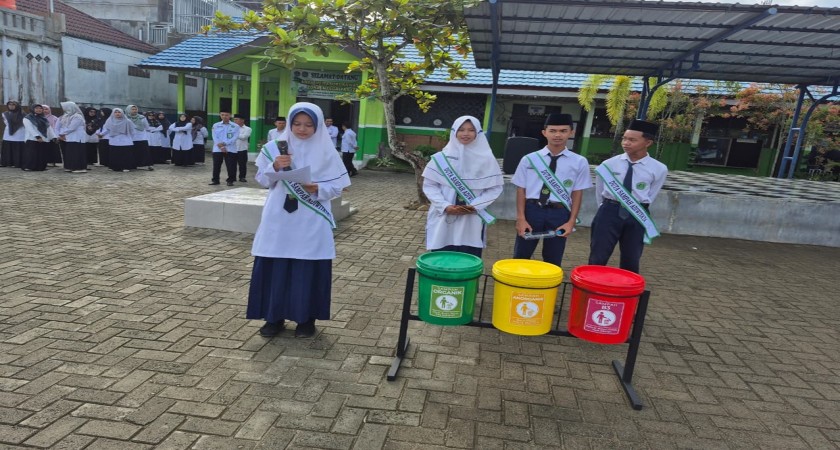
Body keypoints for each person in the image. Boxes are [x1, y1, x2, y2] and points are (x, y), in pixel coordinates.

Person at [247, 102, 351, 338]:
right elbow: (262, 181)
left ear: (318, 126)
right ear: (289, 123)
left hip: (311, 217)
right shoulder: (275, 147)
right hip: (279, 217)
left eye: (308, 124)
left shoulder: (327, 151)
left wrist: (318, 188)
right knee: (276, 264)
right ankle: (273, 318)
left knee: (308, 266)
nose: (302, 129)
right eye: (297, 123)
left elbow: (338, 187)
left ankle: (306, 320)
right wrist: (274, 166)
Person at [511, 113, 591, 268]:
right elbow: (521, 189)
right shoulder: (529, 159)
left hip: (559, 214)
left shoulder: (579, 162)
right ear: (544, 132)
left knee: (553, 259)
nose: (558, 135)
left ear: (571, 133)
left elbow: (577, 193)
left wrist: (571, 221)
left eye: (563, 131)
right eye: (553, 130)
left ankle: (547, 291)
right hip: (532, 211)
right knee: (521, 256)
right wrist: (521, 218)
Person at [588, 119, 668, 274]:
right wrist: (606, 209)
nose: (626, 143)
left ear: (648, 142)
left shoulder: (659, 168)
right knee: (598, 256)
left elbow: (651, 194)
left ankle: (626, 294)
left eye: (632, 140)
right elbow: (600, 191)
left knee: (631, 258)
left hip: (637, 214)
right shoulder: (608, 164)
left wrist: (637, 208)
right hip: (609, 211)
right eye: (624, 138)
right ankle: (591, 290)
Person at [421, 115, 504, 257]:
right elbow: (430, 185)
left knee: (468, 257)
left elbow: (495, 188)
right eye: (461, 129)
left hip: (472, 218)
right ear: (454, 132)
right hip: (444, 216)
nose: (466, 134)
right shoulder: (441, 158)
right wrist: (445, 205)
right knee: (441, 256)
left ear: (478, 133)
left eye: (471, 130)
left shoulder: (488, 159)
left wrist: (474, 206)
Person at [21, 104, 55, 171]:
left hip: (44, 138)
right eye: (36, 108)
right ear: (32, 109)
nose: (39, 110)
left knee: (42, 154)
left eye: (40, 108)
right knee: (32, 154)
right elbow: (30, 128)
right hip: (32, 138)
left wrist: (54, 137)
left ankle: (40, 167)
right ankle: (29, 166)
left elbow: (49, 128)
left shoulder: (44, 119)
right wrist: (37, 136)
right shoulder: (27, 118)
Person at [209, 111, 240, 186]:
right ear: (220, 115)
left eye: (226, 115)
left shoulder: (235, 126)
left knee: (231, 166)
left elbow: (235, 137)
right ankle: (215, 180)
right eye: (222, 115)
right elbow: (214, 136)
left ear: (230, 116)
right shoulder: (216, 125)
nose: (224, 116)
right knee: (216, 165)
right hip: (217, 148)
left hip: (230, 148)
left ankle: (230, 180)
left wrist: (225, 144)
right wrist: (221, 146)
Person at [100, 108, 135, 172]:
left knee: (125, 154)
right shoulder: (110, 120)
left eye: (119, 112)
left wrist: (130, 138)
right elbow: (106, 129)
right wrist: (101, 134)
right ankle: (115, 167)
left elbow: (132, 130)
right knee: (115, 154)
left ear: (122, 113)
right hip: (114, 139)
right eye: (115, 112)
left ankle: (126, 167)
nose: (117, 114)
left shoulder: (127, 121)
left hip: (125, 139)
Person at [56, 101, 88, 173]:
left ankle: (79, 167)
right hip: (70, 137)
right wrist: (61, 134)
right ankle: (70, 166)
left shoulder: (77, 116)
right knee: (70, 153)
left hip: (77, 137)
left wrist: (62, 133)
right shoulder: (67, 116)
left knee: (77, 152)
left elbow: (72, 127)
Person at [127, 105, 153, 171]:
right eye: (132, 109)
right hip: (131, 137)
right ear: (128, 110)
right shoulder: (126, 118)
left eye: (135, 109)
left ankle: (144, 165)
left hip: (142, 137)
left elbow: (146, 127)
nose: (134, 110)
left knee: (143, 151)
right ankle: (133, 165)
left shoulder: (142, 117)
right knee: (132, 151)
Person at [1, 101, 26, 168]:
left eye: (13, 104)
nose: (11, 106)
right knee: (8, 148)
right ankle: (7, 162)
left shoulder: (23, 114)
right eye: (9, 104)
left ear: (17, 105)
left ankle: (18, 163)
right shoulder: (5, 114)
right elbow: (7, 123)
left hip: (20, 133)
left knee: (18, 148)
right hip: (8, 133)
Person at [234, 113, 251, 182]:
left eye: (236, 119)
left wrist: (235, 133)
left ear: (242, 120)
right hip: (233, 149)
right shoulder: (231, 128)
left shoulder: (248, 129)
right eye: (234, 119)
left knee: (242, 165)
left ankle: (242, 177)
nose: (235, 121)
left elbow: (243, 137)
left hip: (242, 149)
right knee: (232, 165)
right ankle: (232, 177)